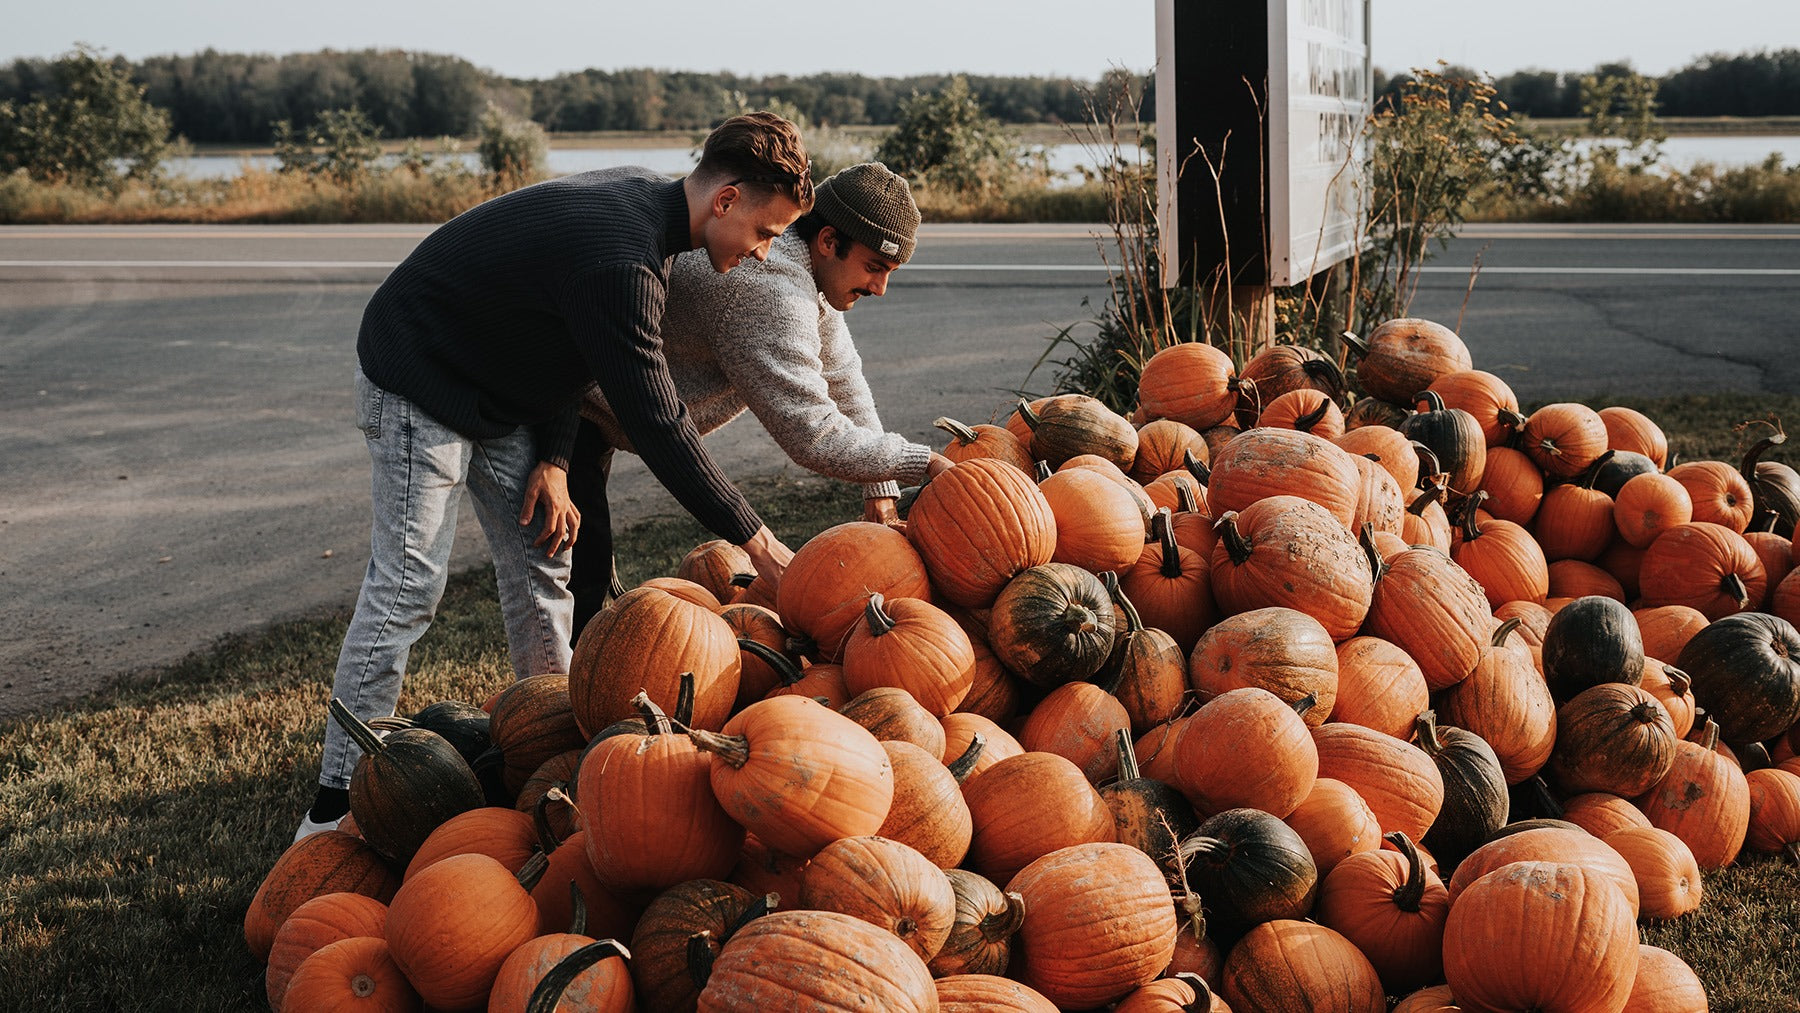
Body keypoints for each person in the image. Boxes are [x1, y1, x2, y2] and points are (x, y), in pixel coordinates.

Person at [295, 112, 814, 840]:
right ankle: (332, 800)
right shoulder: (626, 258)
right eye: (764, 233)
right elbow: (661, 424)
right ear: (725, 200)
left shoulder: (652, 223)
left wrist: (556, 457)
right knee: (409, 581)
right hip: (418, 371)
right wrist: (757, 541)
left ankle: (554, 740)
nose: (763, 254)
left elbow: (573, 343)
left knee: (544, 556)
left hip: (502, 390)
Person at [561, 162, 954, 638]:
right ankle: (557, 697)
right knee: (565, 576)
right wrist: (922, 462)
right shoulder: (766, 290)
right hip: (565, 403)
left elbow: (843, 378)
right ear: (829, 241)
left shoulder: (799, 267)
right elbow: (813, 434)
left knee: (585, 562)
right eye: (874, 267)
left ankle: (573, 681)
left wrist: (882, 487)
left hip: (597, 402)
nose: (880, 287)